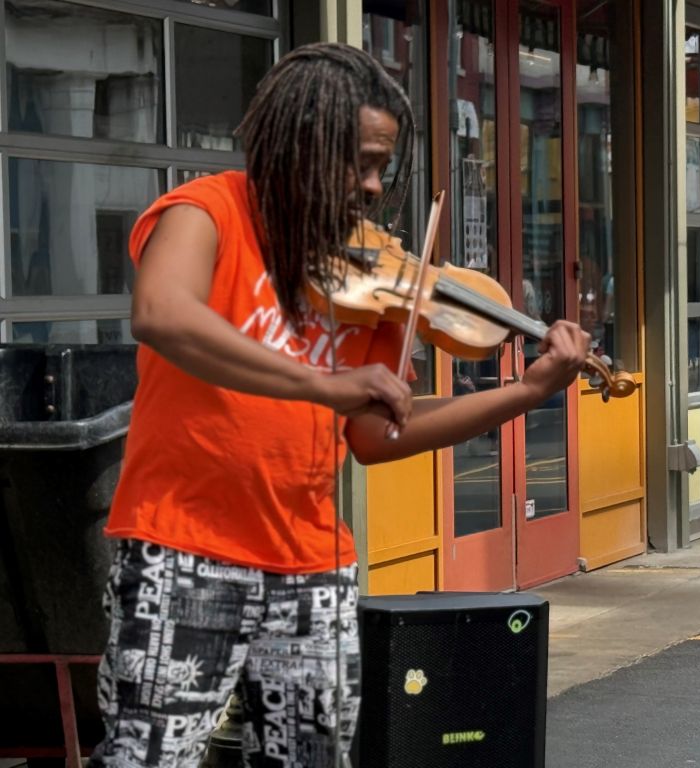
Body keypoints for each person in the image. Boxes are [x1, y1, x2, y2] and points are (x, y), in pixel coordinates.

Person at [89, 43, 590, 768]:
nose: (374, 186)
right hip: (183, 551)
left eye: (383, 166)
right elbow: (162, 314)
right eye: (359, 161)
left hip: (313, 561)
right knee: (148, 760)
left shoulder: (366, 281)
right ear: (299, 144)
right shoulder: (208, 211)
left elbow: (378, 434)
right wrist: (320, 385)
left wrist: (526, 392)